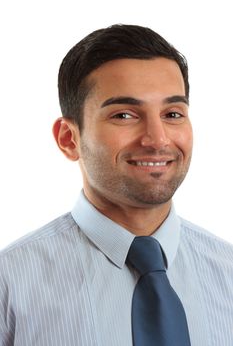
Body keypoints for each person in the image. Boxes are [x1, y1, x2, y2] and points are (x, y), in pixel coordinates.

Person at [0, 24, 233, 346]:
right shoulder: (9, 282)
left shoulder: (228, 272)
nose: (157, 139)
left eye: (173, 113)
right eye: (124, 115)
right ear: (69, 139)